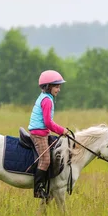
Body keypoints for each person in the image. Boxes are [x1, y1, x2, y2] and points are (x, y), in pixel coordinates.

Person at [27, 69, 69, 200]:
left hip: (43, 132)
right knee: (45, 160)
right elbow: (48, 122)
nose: (59, 89)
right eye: (56, 86)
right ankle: (38, 189)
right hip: (39, 134)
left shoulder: (47, 98)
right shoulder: (47, 101)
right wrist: (62, 130)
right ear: (48, 86)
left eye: (59, 86)